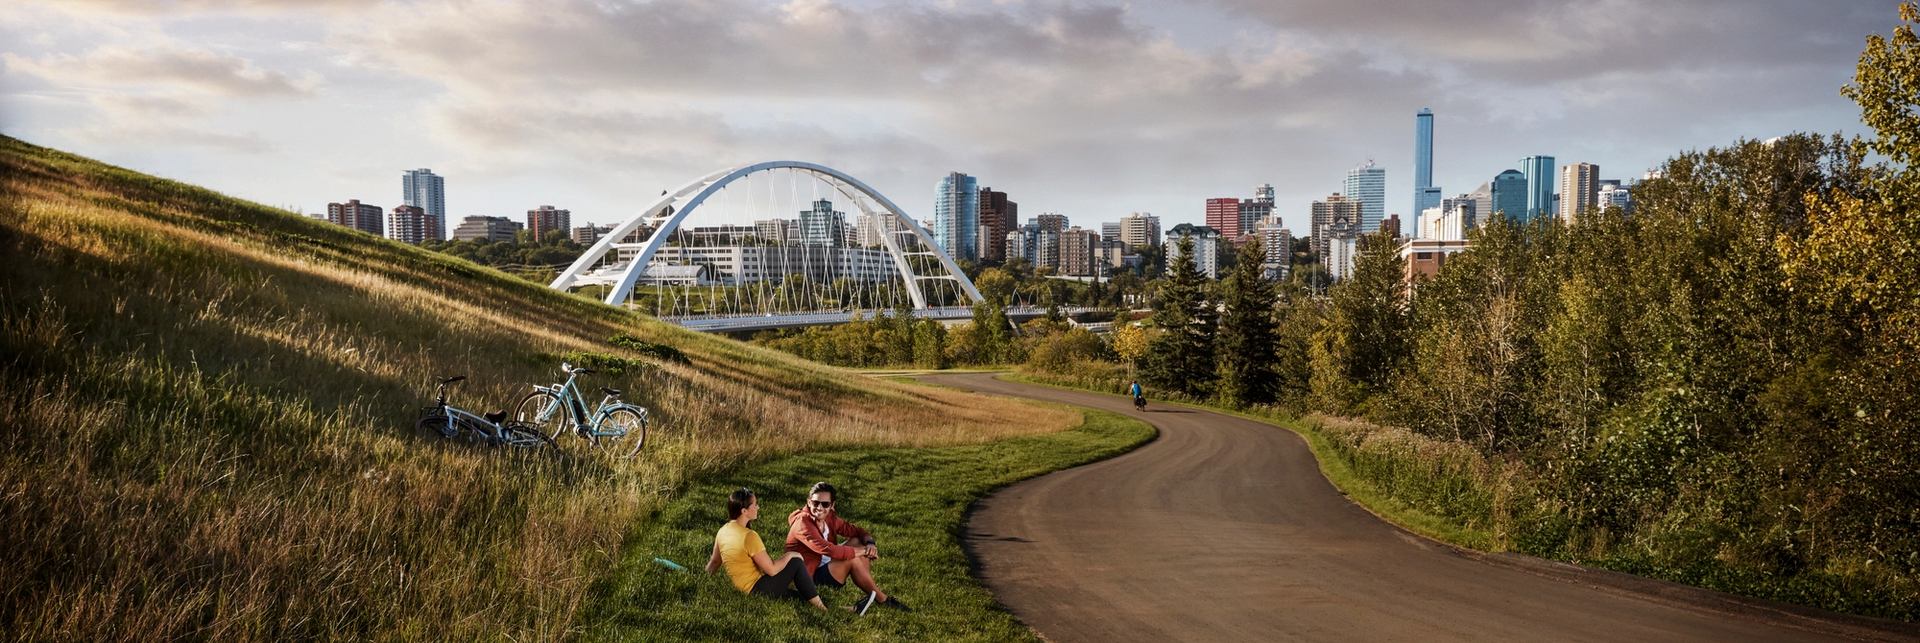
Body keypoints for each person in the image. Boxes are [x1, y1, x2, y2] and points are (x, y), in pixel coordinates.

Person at [785, 482, 909, 615]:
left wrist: (870, 544)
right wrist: (864, 551)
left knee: (857, 541)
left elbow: (856, 531)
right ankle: (883, 600)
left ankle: (868, 586)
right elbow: (830, 550)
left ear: (832, 505)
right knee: (853, 558)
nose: (819, 508)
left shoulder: (829, 518)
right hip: (808, 576)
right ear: (809, 502)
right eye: (815, 503)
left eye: (825, 504)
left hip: (825, 565)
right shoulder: (802, 523)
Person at [706, 488, 828, 611]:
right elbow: (772, 570)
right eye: (755, 505)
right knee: (795, 562)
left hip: (744, 589)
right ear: (744, 511)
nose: (758, 507)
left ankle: (819, 602)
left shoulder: (723, 530)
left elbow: (715, 562)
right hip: (757, 590)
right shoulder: (749, 536)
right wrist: (791, 554)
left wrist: (704, 580)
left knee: (801, 597)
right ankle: (823, 609)